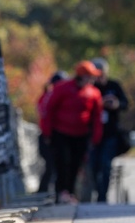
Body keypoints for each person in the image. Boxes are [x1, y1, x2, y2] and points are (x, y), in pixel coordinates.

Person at [40, 61, 104, 204]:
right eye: (90, 76)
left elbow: (97, 117)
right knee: (62, 163)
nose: (92, 79)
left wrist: (96, 137)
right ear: (82, 76)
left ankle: (69, 192)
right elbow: (48, 110)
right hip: (61, 133)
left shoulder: (94, 93)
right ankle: (60, 192)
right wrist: (47, 132)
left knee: (76, 164)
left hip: (80, 135)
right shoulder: (62, 88)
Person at [88, 57, 130, 203]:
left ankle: (102, 196)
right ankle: (96, 190)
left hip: (111, 133)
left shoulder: (114, 85)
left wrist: (116, 104)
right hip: (93, 134)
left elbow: (125, 104)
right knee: (93, 165)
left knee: (106, 163)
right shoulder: (90, 88)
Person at [36, 70, 68, 195]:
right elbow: (45, 117)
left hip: (55, 135)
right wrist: (48, 135)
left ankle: (54, 193)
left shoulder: (54, 96)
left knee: (56, 166)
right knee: (52, 166)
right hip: (48, 136)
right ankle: (44, 192)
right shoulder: (49, 96)